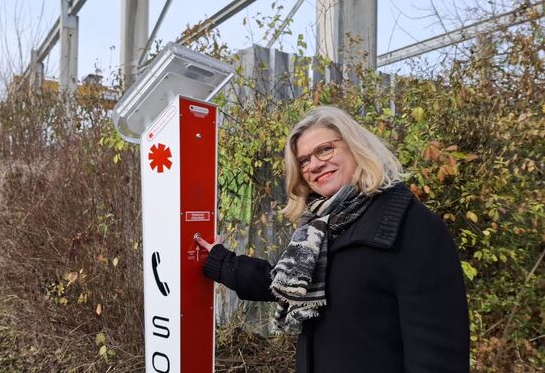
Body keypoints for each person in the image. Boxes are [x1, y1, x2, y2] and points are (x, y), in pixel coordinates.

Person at [196, 106, 470, 373]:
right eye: (303, 160)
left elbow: (438, 354)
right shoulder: (319, 228)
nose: (314, 165)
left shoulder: (411, 226)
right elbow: (283, 283)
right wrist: (222, 261)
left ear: (355, 147)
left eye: (325, 149)